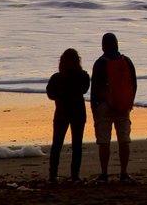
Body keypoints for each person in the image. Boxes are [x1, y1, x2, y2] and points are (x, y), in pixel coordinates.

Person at [91, 32, 138, 184]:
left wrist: (94, 108)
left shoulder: (100, 63)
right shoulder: (127, 61)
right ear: (117, 44)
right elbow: (134, 84)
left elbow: (95, 88)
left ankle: (104, 174)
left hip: (105, 106)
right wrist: (129, 102)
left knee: (104, 140)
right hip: (123, 106)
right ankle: (124, 174)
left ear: (103, 46)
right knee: (124, 139)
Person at [46, 48, 90, 184]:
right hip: (78, 112)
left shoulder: (57, 78)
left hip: (62, 112)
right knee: (77, 145)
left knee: (57, 145)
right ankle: (75, 176)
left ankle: (52, 176)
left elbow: (50, 94)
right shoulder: (83, 76)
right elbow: (84, 89)